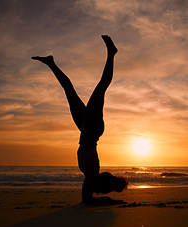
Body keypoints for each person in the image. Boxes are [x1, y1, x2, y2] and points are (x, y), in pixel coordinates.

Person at [32, 35, 128, 204]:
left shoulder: (90, 175)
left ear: (104, 185)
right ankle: (111, 53)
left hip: (86, 129)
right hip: (92, 128)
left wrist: (110, 200)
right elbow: (87, 199)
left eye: (111, 180)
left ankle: (51, 63)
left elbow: (86, 199)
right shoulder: (93, 170)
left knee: (69, 91)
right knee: (101, 87)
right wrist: (111, 200)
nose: (111, 176)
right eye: (114, 178)